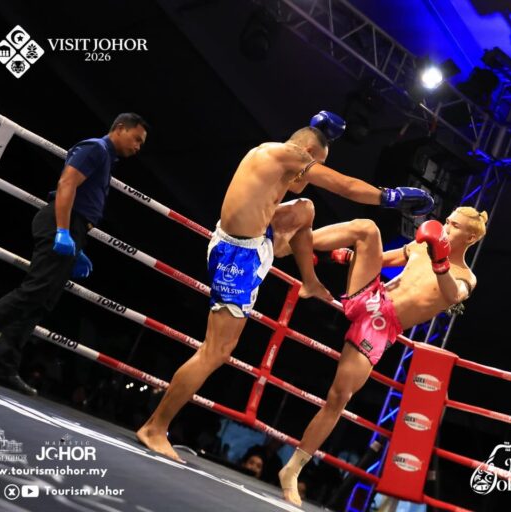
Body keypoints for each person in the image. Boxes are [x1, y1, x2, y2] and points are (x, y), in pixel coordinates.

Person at [136, 113, 435, 462]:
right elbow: (346, 187)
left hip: (258, 239)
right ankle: (155, 427)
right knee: (216, 351)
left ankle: (310, 281)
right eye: (316, 164)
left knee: (305, 209)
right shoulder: (288, 154)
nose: (309, 175)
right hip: (236, 257)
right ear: (307, 152)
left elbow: (294, 191)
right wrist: (393, 196)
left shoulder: (272, 157)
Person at [278, 206, 488, 506]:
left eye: (453, 226)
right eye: (446, 221)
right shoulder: (421, 247)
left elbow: (454, 295)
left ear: (469, 237)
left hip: (380, 326)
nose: (445, 227)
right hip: (371, 295)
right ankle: (295, 244)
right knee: (367, 229)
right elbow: (380, 259)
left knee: (338, 397)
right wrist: (348, 258)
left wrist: (440, 261)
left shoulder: (465, 277)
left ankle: (292, 469)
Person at [0, 114, 148, 395]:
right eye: (136, 139)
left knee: (42, 301)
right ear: (119, 128)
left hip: (73, 227)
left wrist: (76, 243)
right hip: (60, 221)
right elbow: (67, 184)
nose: (138, 147)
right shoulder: (95, 148)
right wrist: (63, 231)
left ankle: (3, 365)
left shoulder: (105, 158)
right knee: (33, 292)